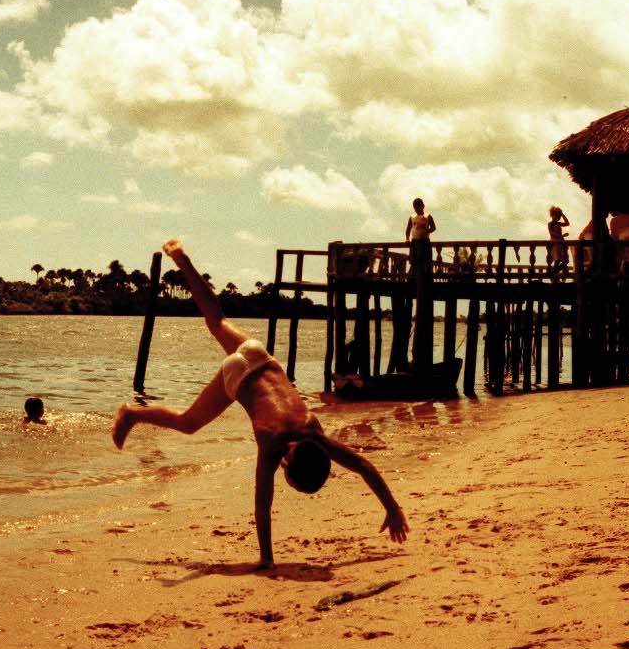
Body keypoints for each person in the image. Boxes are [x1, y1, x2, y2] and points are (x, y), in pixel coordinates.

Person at [112, 240, 408, 570]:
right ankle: (133, 413)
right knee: (187, 422)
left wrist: (393, 507)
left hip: (259, 355)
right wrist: (266, 558)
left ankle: (182, 260)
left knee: (216, 318)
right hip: (237, 376)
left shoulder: (315, 433)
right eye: (292, 482)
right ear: (288, 467)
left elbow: (364, 465)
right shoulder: (272, 448)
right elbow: (262, 503)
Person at [404, 197, 436, 276]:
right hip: (415, 242)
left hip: (424, 242)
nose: (417, 209)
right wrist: (407, 239)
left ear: (423, 206)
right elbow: (408, 229)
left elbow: (433, 227)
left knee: (425, 262)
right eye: (415, 207)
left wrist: (427, 231)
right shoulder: (412, 217)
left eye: (418, 207)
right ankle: (412, 278)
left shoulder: (428, 216)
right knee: (414, 261)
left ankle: (424, 279)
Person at [547, 206, 570, 272]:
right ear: (552, 215)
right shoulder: (550, 224)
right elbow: (552, 233)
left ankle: (554, 272)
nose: (556, 218)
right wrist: (562, 235)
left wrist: (562, 214)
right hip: (555, 243)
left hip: (561, 243)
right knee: (557, 260)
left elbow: (567, 223)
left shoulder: (559, 224)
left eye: (558, 216)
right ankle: (554, 273)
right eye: (555, 215)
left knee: (565, 260)